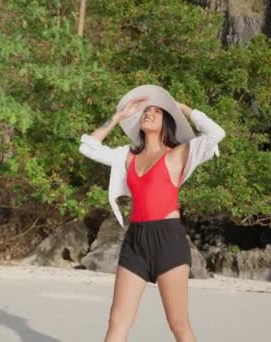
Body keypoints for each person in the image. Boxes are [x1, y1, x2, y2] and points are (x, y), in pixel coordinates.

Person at [78, 85, 226, 342]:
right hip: (136, 240)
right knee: (117, 320)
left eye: (157, 111)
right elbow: (88, 147)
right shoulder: (126, 156)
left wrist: (181, 108)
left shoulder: (179, 154)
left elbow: (216, 133)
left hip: (168, 240)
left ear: (167, 121)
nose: (149, 113)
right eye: (147, 110)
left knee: (178, 324)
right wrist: (117, 117)